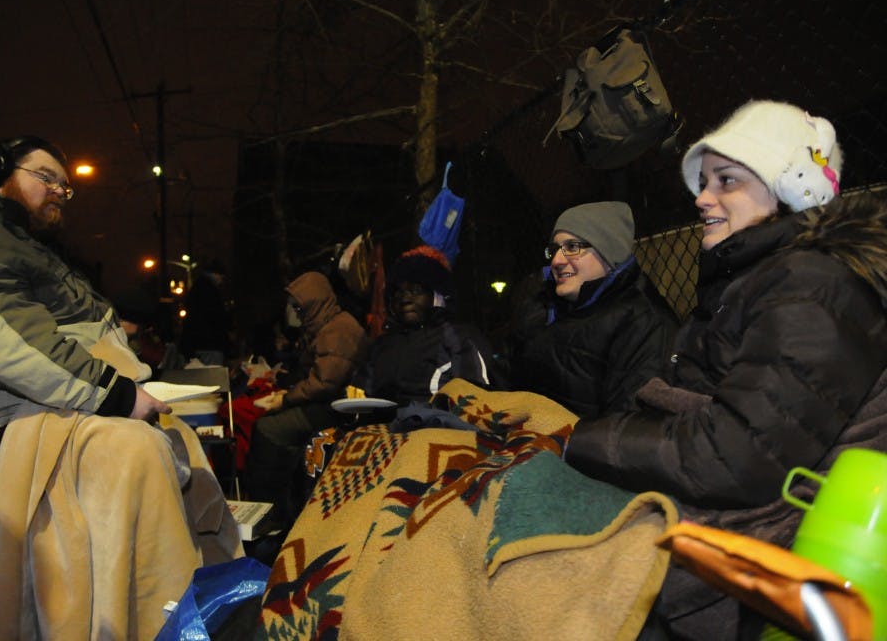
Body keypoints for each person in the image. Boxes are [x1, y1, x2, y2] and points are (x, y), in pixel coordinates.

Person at [0, 135, 242, 637]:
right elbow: (0, 339)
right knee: (133, 450)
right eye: (44, 177)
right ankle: (135, 623)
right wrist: (117, 395)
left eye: (64, 186)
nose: (58, 191)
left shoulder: (12, 240)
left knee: (173, 436)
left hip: (23, 409)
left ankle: (191, 599)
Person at [563, 100, 887, 638]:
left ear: (791, 191)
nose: (702, 197)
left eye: (727, 180)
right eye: (704, 181)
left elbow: (737, 456)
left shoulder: (813, 284)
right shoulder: (759, 278)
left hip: (763, 551)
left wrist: (580, 441)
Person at [508, 201, 677, 417]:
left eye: (572, 248)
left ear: (609, 252)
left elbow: (630, 423)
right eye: (555, 250)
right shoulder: (541, 305)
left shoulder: (644, 323)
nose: (557, 261)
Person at [246, 270, 369, 527]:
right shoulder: (322, 327)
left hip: (337, 409)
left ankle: (271, 510)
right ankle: (274, 504)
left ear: (314, 303)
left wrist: (286, 400)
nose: (294, 312)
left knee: (268, 430)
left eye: (298, 307)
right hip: (326, 402)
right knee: (266, 424)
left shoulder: (338, 330)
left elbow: (325, 383)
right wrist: (286, 392)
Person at [355, 245, 498, 406]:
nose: (405, 299)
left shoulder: (458, 337)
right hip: (384, 420)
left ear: (437, 295)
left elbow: (474, 397)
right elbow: (361, 392)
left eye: (416, 291)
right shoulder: (383, 344)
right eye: (398, 293)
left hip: (438, 419)